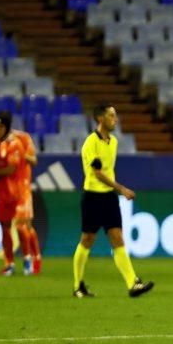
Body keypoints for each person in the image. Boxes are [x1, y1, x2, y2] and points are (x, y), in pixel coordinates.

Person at [72, 103, 153, 298]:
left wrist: (115, 190)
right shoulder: (90, 143)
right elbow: (98, 173)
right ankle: (78, 286)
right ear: (101, 119)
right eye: (111, 116)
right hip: (92, 197)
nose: (115, 119)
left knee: (117, 238)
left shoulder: (114, 142)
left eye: (115, 116)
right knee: (87, 239)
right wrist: (122, 189)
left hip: (108, 198)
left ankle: (132, 283)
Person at [0, 112, 25, 276]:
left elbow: (11, 168)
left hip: (14, 191)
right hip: (2, 193)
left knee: (21, 227)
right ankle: (9, 263)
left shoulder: (14, 144)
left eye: (1, 126)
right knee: (4, 226)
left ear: (7, 128)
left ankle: (29, 260)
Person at [11, 127, 42, 274]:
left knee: (21, 224)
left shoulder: (22, 137)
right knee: (26, 225)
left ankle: (30, 259)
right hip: (9, 189)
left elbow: (33, 159)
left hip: (23, 187)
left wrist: (21, 152)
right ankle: (36, 257)